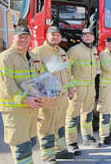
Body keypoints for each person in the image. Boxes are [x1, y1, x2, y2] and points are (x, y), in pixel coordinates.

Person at [0, 26, 44, 164]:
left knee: (31, 141)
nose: (23, 40)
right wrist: (25, 98)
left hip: (31, 108)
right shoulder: (5, 58)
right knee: (21, 146)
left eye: (26, 37)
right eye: (20, 37)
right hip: (14, 109)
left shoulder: (33, 57)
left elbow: (39, 78)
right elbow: (6, 84)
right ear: (13, 38)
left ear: (30, 39)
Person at [32, 26, 76, 163]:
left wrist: (71, 88)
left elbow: (68, 73)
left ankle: (60, 150)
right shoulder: (37, 52)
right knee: (46, 126)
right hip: (48, 98)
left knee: (60, 124)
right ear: (47, 35)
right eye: (52, 35)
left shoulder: (62, 52)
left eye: (58, 35)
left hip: (62, 97)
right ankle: (47, 156)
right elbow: (33, 76)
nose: (55, 37)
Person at [66, 28, 100, 152]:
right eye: (85, 36)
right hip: (77, 89)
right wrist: (70, 87)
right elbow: (66, 70)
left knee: (88, 114)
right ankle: (71, 142)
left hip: (90, 88)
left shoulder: (94, 50)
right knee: (72, 116)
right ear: (81, 37)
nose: (88, 37)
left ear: (93, 38)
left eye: (90, 35)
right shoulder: (74, 51)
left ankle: (87, 137)